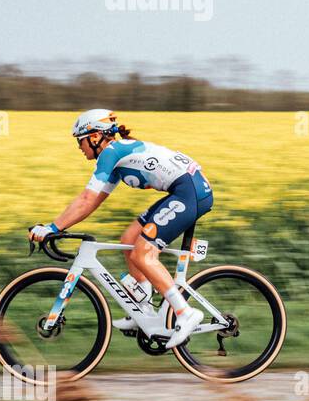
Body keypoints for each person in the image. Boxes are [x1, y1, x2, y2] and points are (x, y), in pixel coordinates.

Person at [28, 109, 213, 348]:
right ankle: (143, 309)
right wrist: (56, 226)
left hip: (189, 193)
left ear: (95, 137)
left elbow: (86, 199)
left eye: (80, 140)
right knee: (129, 239)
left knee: (143, 253)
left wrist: (52, 227)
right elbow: (93, 200)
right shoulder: (116, 159)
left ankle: (185, 313)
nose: (79, 147)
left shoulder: (111, 153)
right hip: (184, 190)